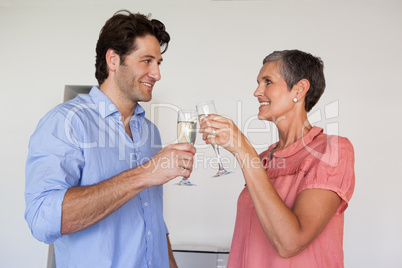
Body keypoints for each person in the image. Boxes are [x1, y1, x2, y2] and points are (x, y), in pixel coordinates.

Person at [24, 10, 195, 268]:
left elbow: (152, 217)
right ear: (113, 59)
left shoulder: (150, 131)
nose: (157, 74)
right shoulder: (67, 122)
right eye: (146, 61)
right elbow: (42, 221)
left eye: (158, 63)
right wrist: (145, 173)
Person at [199, 50, 355, 267]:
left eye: (267, 82)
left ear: (299, 89)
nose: (256, 91)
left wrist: (244, 150)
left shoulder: (332, 149)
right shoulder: (263, 159)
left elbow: (290, 243)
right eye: (258, 82)